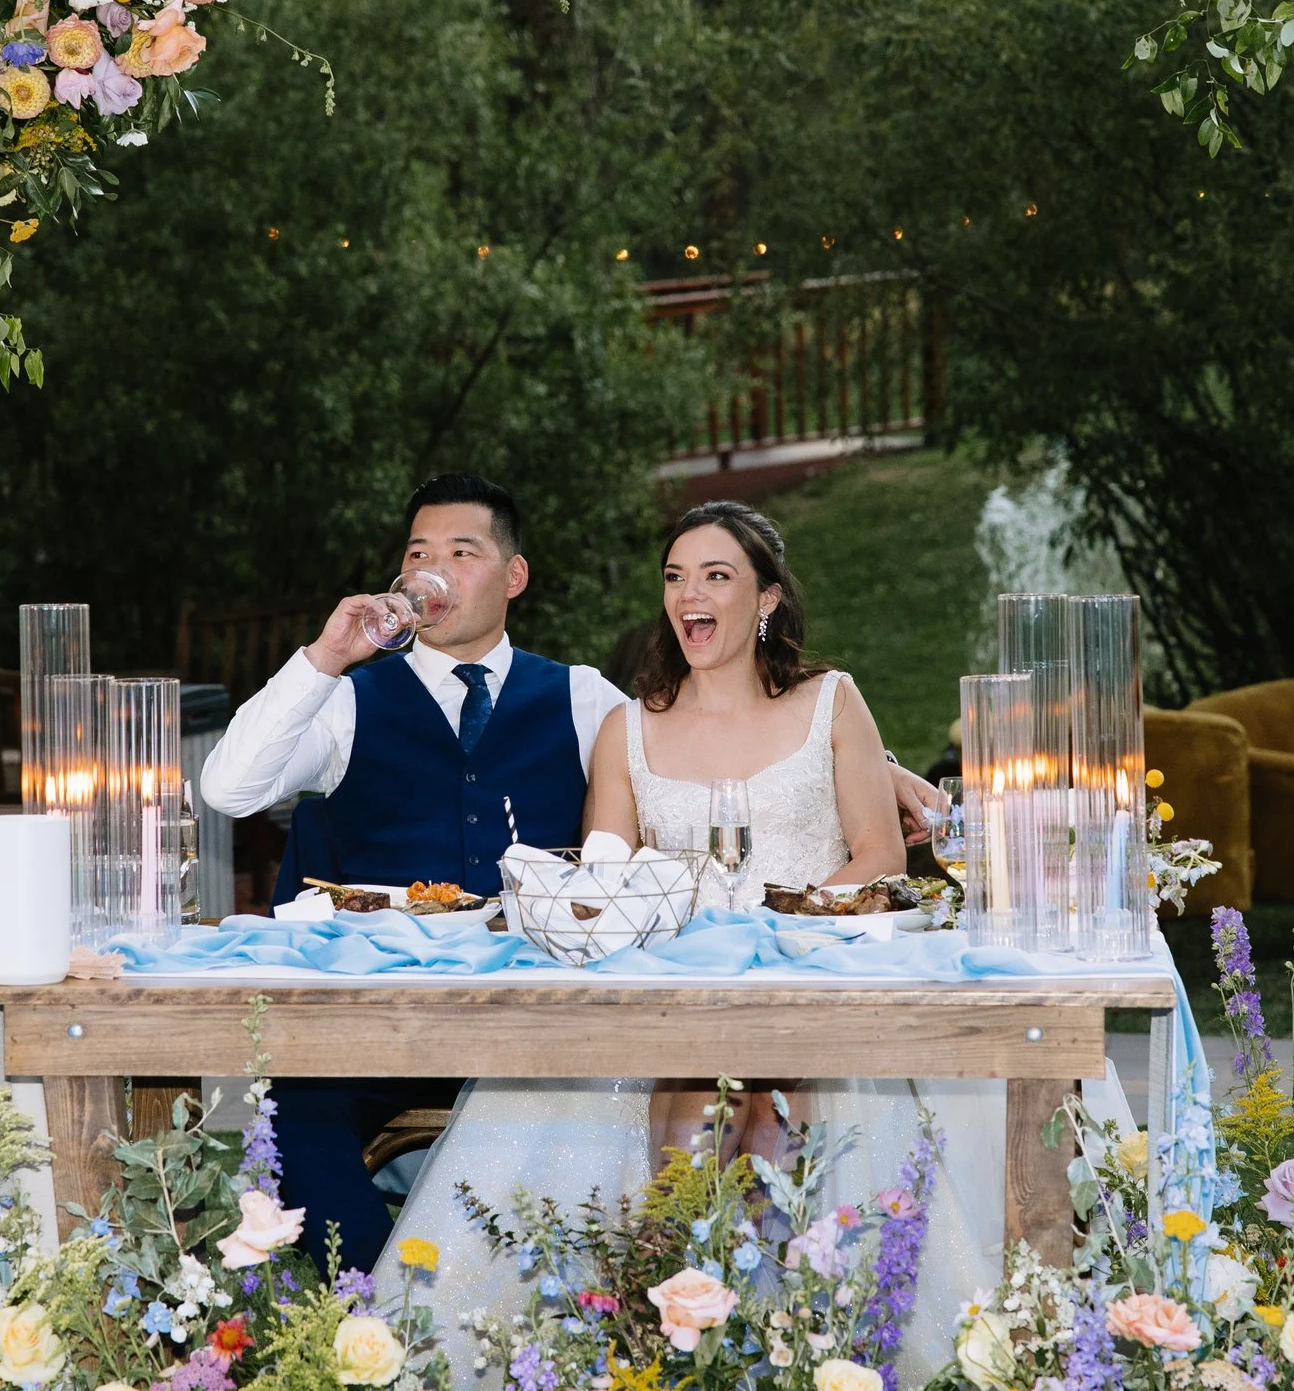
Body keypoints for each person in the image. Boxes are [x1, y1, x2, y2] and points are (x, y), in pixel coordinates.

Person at [197, 477, 943, 1273]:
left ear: (513, 576)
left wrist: (877, 768)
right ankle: (371, 1319)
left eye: (461, 551)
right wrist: (323, 657)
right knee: (297, 1111)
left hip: (528, 1018)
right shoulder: (347, 701)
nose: (433, 570)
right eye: (419, 553)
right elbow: (229, 788)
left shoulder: (583, 696)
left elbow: (720, 736)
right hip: (392, 1018)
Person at [381, 501, 997, 1386]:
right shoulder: (630, 726)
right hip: (666, 988)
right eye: (676, 577)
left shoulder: (833, 700)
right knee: (687, 1081)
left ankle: (773, 1329)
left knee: (767, 1087)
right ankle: (668, 1320)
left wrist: (784, 919)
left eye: (716, 576)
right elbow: (606, 871)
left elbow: (878, 852)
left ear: (767, 601)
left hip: (804, 976)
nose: (690, 594)